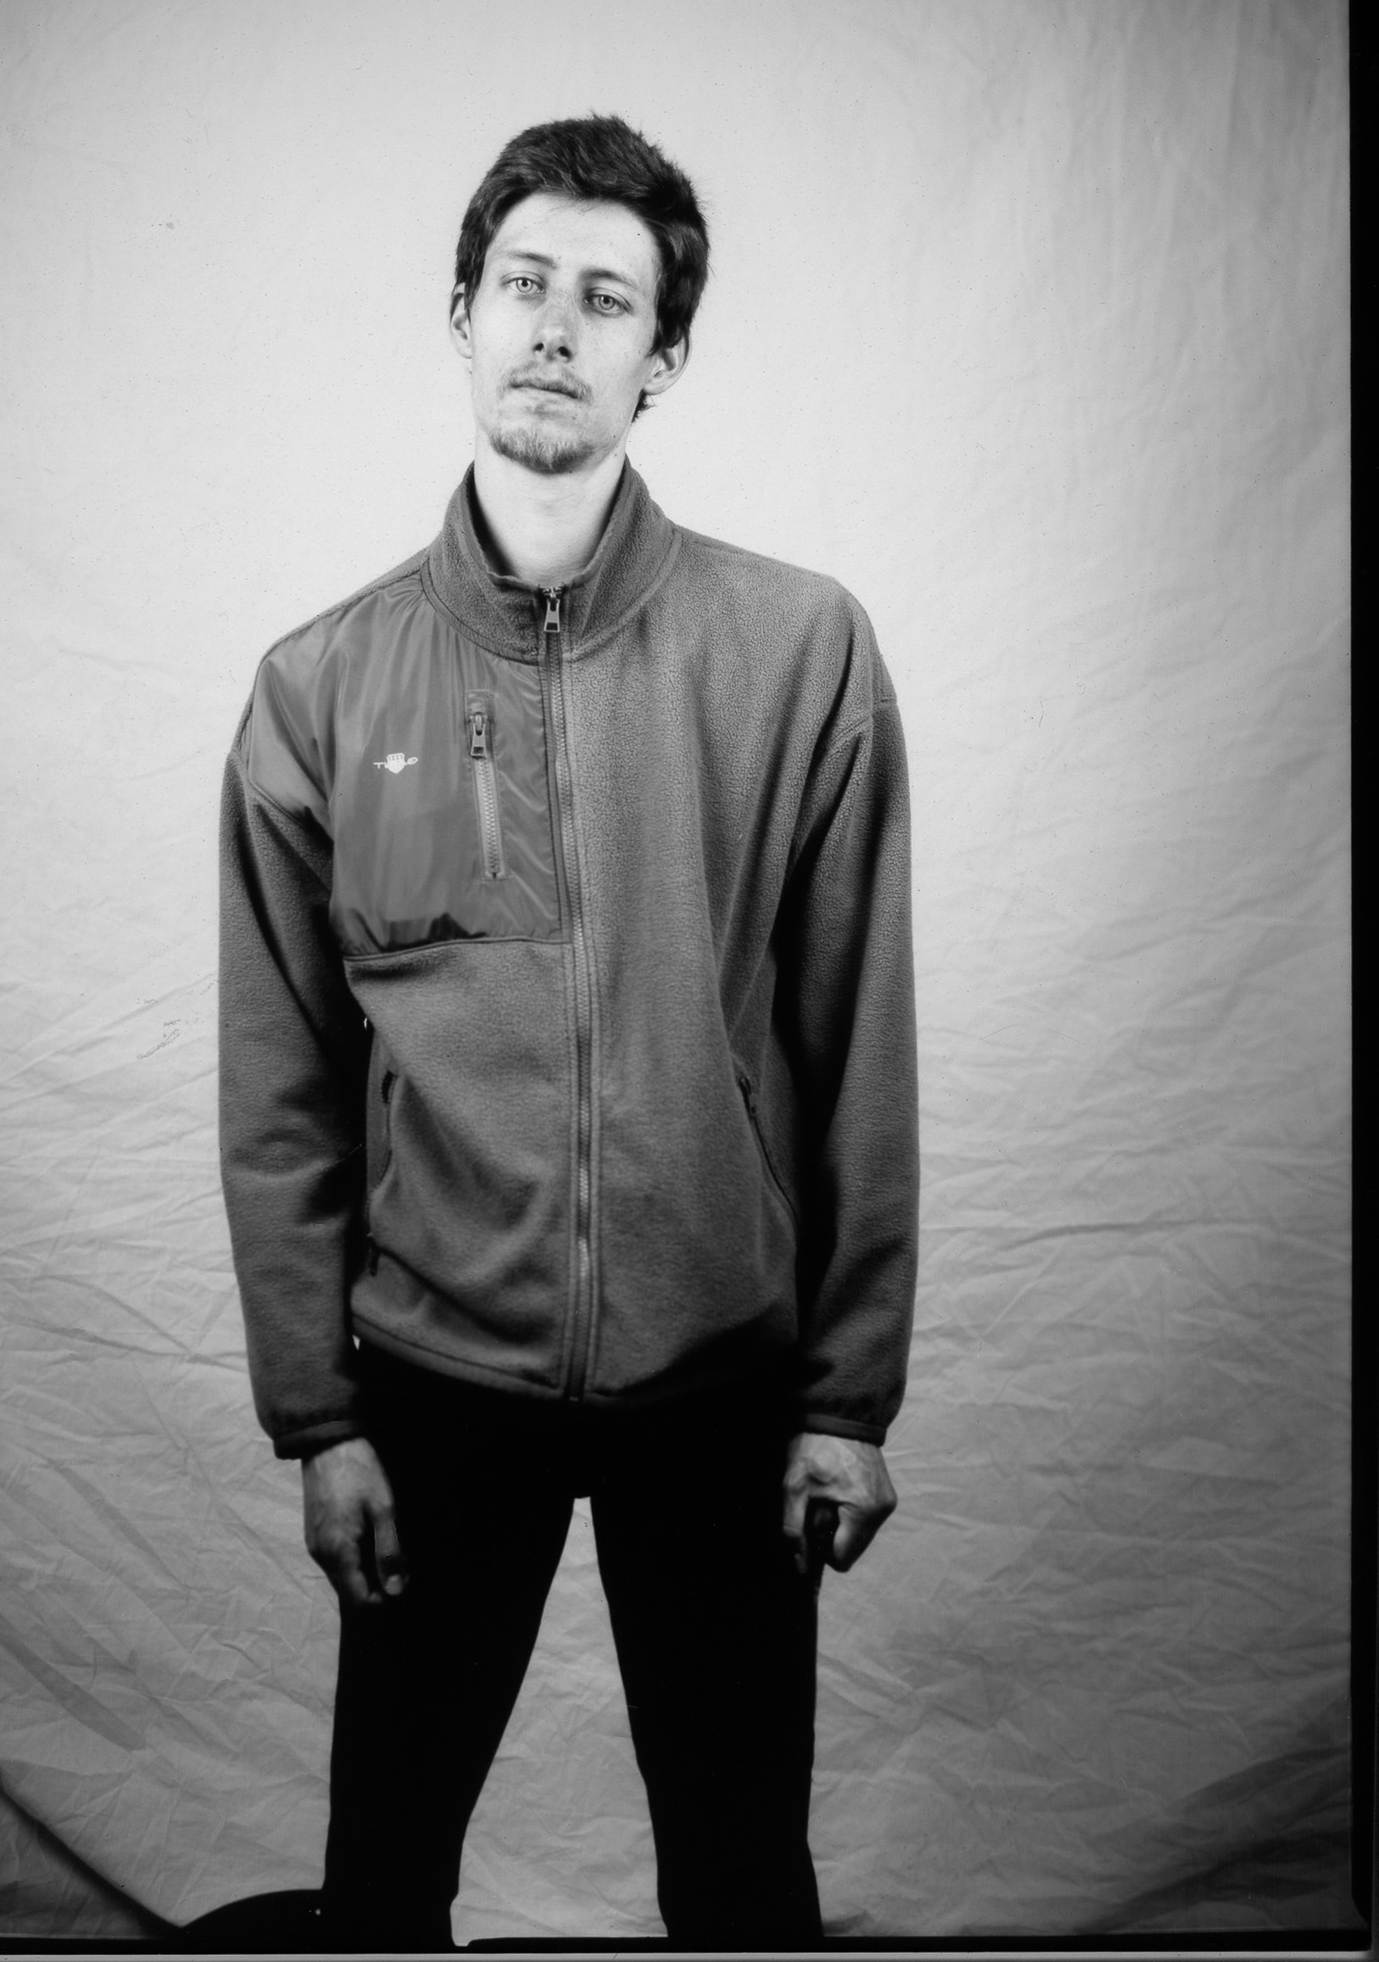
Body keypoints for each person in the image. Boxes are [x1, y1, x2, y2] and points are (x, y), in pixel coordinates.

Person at [218, 113, 918, 1951]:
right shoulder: (334, 685)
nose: (556, 325)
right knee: (383, 1884)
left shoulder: (797, 653)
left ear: (660, 359)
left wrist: (845, 1399)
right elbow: (286, 1078)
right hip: (432, 1383)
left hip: (726, 1382)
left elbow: (857, 1044)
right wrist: (318, 1419)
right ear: (462, 312)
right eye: (524, 282)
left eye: (607, 299)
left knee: (744, 1888)